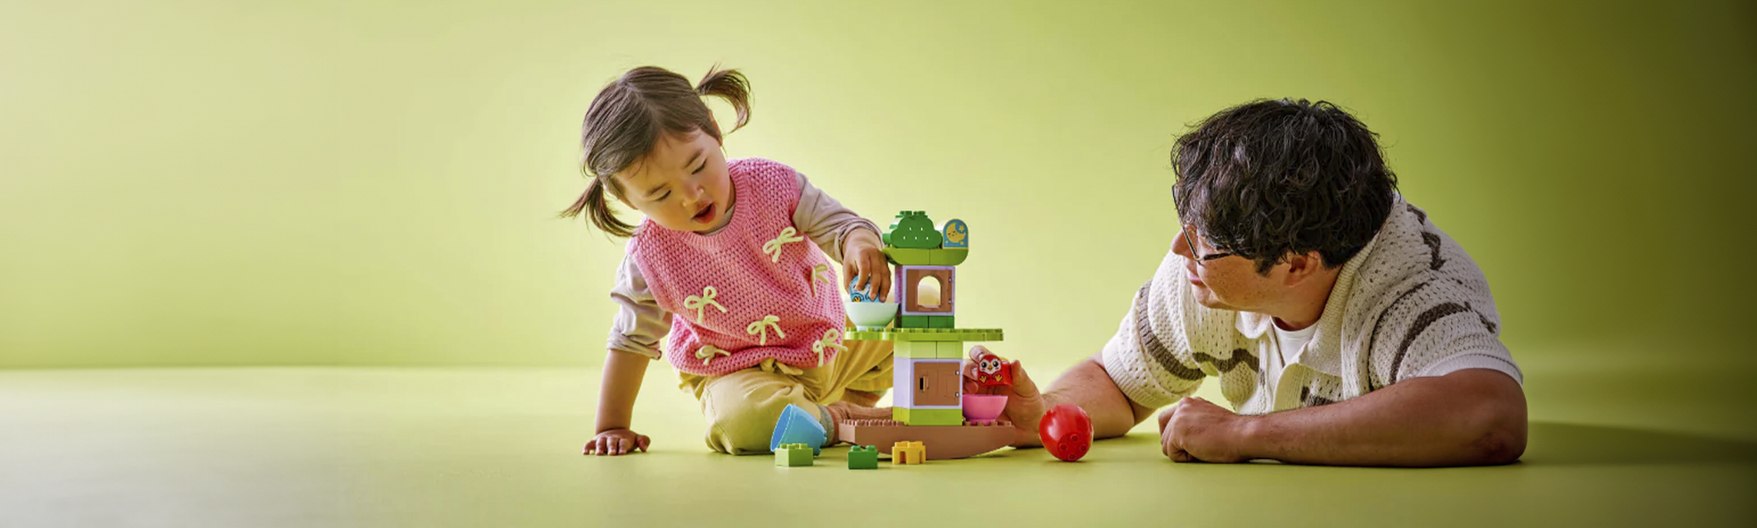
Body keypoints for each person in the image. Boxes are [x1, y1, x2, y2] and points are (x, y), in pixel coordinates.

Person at [968, 99, 1527, 466]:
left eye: (1205, 241)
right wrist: (1046, 410)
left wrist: (1245, 434)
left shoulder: (1407, 290)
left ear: (1298, 264)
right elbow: (1117, 384)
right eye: (1187, 222)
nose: (1178, 248)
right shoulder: (1201, 277)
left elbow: (1490, 416)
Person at [563, 66, 895, 456]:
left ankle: (832, 410)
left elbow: (840, 226)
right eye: (660, 193)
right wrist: (613, 425)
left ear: (714, 132)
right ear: (628, 200)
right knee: (744, 422)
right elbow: (631, 342)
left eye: (698, 165)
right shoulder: (649, 256)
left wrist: (858, 243)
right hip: (739, 376)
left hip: (828, 345)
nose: (691, 194)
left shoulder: (774, 185)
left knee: (907, 316)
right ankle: (835, 421)